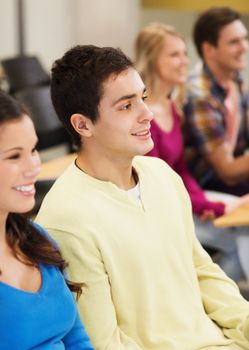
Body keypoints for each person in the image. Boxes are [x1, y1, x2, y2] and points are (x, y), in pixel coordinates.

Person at [36, 44, 249, 349]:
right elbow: (104, 342)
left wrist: (245, 323)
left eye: (143, 98)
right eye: (126, 106)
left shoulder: (161, 175)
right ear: (83, 124)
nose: (147, 114)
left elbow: (201, 271)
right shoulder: (66, 220)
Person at [135, 22, 249, 282]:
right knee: (238, 240)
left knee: (242, 229)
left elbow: (181, 170)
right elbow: (157, 182)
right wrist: (210, 206)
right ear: (152, 59)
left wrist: (205, 203)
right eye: (175, 55)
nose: (185, 62)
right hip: (159, 211)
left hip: (183, 199)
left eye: (185, 54)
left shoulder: (171, 107)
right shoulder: (141, 116)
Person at [0, 90, 93, 350]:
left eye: (33, 150)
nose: (34, 167)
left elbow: (76, 337)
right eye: (14, 156)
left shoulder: (37, 239)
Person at [184, 6, 249, 196]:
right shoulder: (199, 94)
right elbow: (227, 172)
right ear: (209, 49)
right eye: (234, 42)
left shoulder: (236, 81)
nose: (244, 47)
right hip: (207, 185)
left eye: (244, 38)